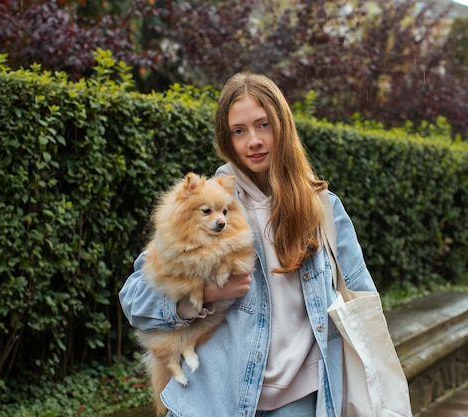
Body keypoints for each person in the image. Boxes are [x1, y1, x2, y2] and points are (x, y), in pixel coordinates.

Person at [119, 72, 378, 417]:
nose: (253, 140)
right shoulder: (209, 204)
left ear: (283, 125)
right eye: (239, 131)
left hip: (301, 397)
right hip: (215, 399)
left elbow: (363, 303)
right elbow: (134, 300)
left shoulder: (322, 207)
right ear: (227, 139)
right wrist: (205, 293)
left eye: (263, 125)